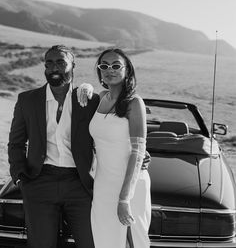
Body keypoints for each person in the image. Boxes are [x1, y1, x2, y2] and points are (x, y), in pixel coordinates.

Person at [8, 45, 100, 248]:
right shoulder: (27, 100)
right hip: (39, 183)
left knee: (92, 243)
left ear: (73, 65)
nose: (54, 68)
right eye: (49, 63)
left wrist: (138, 151)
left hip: (80, 184)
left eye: (60, 62)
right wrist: (20, 176)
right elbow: (16, 143)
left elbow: (108, 136)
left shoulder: (90, 100)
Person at [88, 48, 151, 248]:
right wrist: (84, 87)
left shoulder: (134, 102)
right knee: (104, 239)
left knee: (133, 241)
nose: (110, 70)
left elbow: (138, 151)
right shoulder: (100, 97)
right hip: (103, 183)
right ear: (99, 71)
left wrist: (124, 198)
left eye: (116, 65)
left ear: (127, 70)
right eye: (104, 66)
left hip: (129, 185)